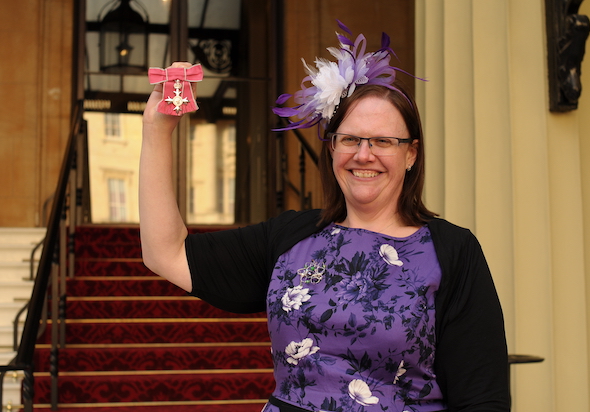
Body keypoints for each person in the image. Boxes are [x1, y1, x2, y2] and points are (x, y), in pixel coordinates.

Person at [139, 20, 509, 412]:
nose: (364, 154)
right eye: (349, 139)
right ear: (332, 149)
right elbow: (165, 253)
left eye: (384, 141)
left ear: (411, 154)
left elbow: (483, 398)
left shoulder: (452, 251)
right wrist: (156, 131)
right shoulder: (292, 238)